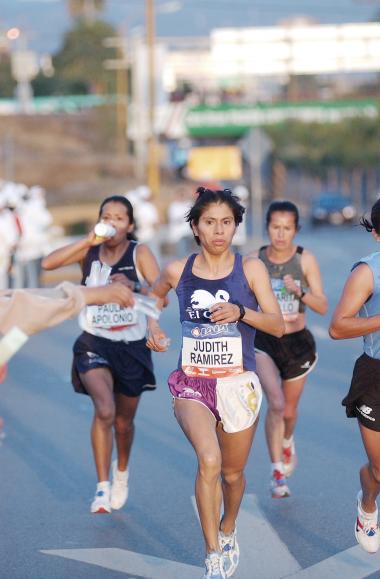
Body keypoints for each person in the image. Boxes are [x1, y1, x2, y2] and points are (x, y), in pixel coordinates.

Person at [146, 187, 284, 578]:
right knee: (209, 459)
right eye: (210, 222)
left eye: (226, 222)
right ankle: (211, 555)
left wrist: (241, 311)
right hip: (192, 383)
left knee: (232, 475)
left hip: (238, 384)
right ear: (195, 226)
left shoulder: (250, 269)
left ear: (236, 227)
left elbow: (278, 324)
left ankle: (228, 527)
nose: (218, 230)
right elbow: (152, 299)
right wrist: (152, 326)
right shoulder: (178, 270)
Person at [42, 195, 161, 514]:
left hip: (132, 346)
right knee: (105, 409)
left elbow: (162, 294)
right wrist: (87, 240)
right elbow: (47, 264)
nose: (112, 222)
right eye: (106, 216)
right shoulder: (90, 251)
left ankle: (120, 471)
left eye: (119, 218)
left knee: (124, 422)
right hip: (94, 341)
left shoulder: (140, 253)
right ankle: (101, 487)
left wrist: (134, 289)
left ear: (130, 225)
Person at [249, 201, 327, 499]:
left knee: (290, 412)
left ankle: (287, 440)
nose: (280, 234)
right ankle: (277, 471)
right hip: (264, 341)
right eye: (275, 227)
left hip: (297, 344)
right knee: (277, 404)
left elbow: (321, 306)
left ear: (295, 230)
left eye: (287, 228)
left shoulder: (305, 260)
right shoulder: (254, 259)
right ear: (267, 227)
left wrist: (300, 292)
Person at [329, 199, 380, 554]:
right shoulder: (367, 272)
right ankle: (368, 498)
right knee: (379, 468)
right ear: (377, 233)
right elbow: (337, 327)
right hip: (375, 375)